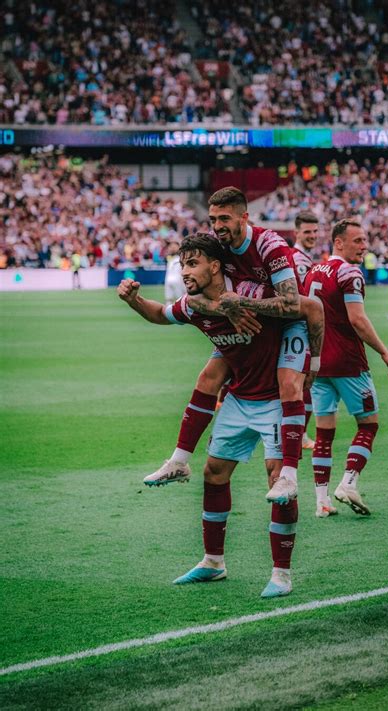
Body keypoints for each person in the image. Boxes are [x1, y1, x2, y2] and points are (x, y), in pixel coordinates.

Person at [118, 233, 324, 598]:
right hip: (240, 397)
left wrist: (314, 359)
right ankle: (213, 562)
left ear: (214, 266)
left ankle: (281, 574)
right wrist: (134, 300)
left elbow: (306, 308)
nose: (184, 271)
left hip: (276, 398)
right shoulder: (195, 304)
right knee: (214, 473)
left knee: (277, 481)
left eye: (192, 263)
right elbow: (159, 314)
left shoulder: (249, 292)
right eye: (182, 264)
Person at [146, 187, 321, 505]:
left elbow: (294, 303)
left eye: (224, 218)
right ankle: (179, 460)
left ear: (244, 216)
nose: (217, 225)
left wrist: (242, 304)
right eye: (213, 219)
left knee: (287, 384)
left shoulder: (269, 244)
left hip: (287, 321)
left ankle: (289, 476)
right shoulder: (219, 247)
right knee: (208, 377)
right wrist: (227, 308)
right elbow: (197, 296)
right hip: (245, 323)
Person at [305, 219, 388, 518]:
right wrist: (384, 351)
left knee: (324, 433)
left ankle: (321, 502)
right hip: (347, 362)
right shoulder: (349, 272)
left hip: (317, 364)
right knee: (368, 425)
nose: (364, 245)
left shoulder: (313, 272)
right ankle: (348, 482)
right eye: (357, 240)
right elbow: (357, 320)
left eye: (365, 240)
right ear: (339, 243)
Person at [292, 210, 318, 450]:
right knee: (306, 380)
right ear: (296, 232)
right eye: (307, 232)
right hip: (300, 329)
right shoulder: (299, 260)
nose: (313, 235)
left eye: (315, 231)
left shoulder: (301, 257)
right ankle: (299, 435)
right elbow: (302, 298)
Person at [164, 238, 186, 305]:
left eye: (174, 246)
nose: (171, 248)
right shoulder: (169, 257)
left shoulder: (181, 258)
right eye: (170, 247)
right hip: (168, 280)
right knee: (168, 299)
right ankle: (168, 314)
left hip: (178, 280)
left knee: (180, 299)